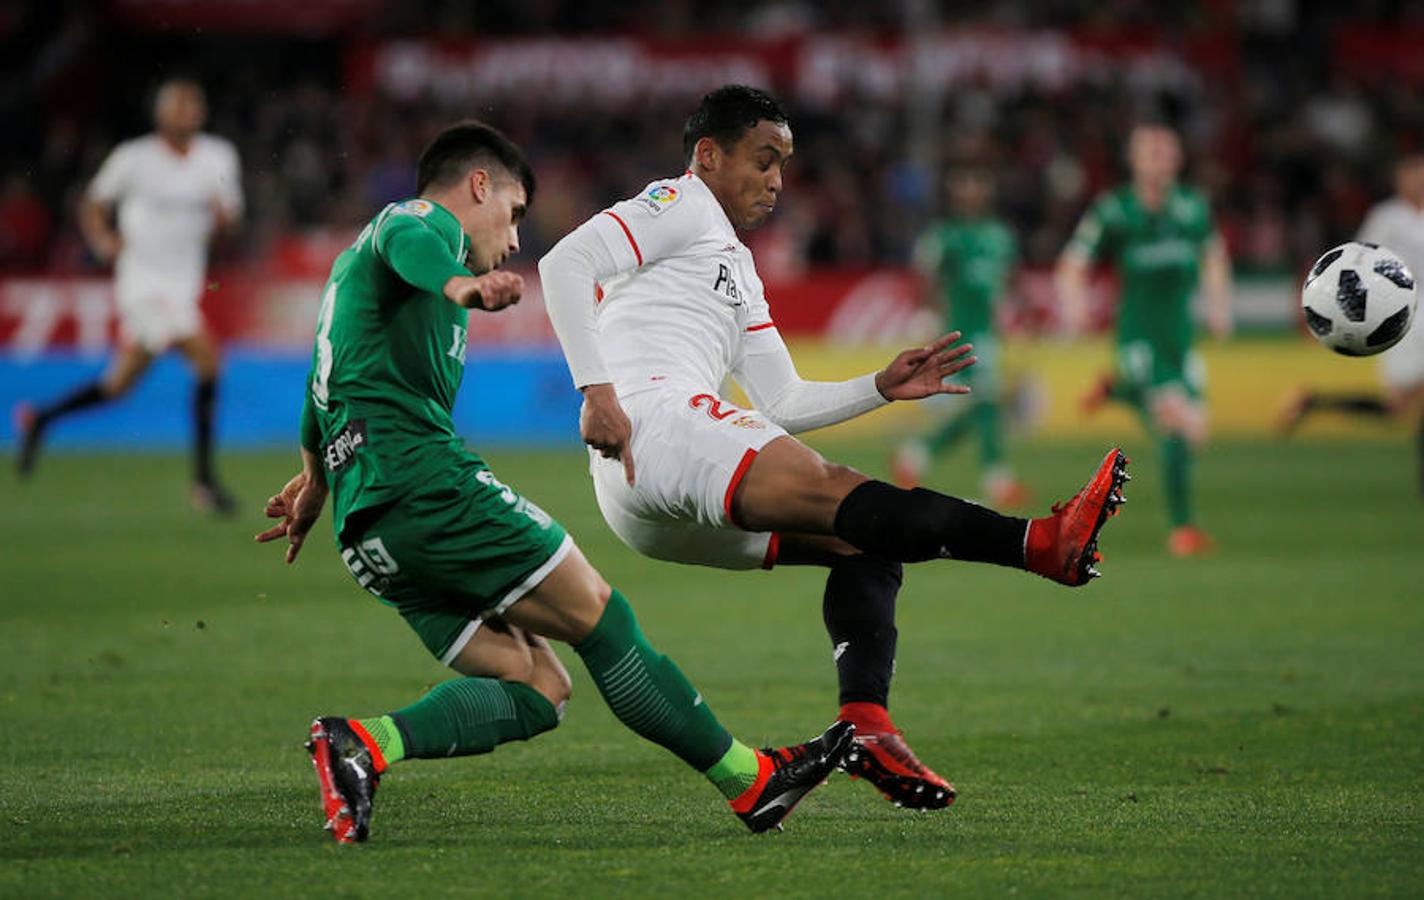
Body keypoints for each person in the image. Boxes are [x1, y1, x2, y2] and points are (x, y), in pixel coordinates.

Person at [255, 120, 851, 844]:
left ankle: (363, 743)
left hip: (368, 530)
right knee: (603, 620)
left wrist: (315, 478)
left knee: (539, 687)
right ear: (480, 185)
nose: (511, 241)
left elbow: (324, 382)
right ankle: (751, 782)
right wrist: (461, 283)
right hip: (425, 486)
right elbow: (411, 238)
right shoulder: (421, 225)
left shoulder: (352, 279)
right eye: (512, 215)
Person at [539, 85, 1129, 812]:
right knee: (842, 492)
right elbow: (564, 263)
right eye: (763, 161)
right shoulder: (679, 202)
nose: (777, 181)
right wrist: (596, 391)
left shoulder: (739, 270)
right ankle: (1042, 544)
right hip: (651, 420)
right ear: (708, 155)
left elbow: (782, 402)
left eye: (784, 165)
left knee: (862, 541)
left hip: (648, 498)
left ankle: (867, 725)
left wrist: (879, 385)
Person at [15, 78, 243, 513]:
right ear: (160, 113)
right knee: (209, 358)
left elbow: (229, 228)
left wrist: (222, 222)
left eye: (193, 102)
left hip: (183, 285)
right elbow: (93, 203)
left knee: (119, 385)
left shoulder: (218, 157)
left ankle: (39, 419)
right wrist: (102, 240)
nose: (188, 110)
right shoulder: (134, 159)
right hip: (141, 283)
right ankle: (204, 482)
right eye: (179, 103)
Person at [1056, 122, 1230, 557]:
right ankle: (1183, 529)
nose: (1158, 159)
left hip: (1180, 340)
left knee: (1196, 433)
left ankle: (1117, 390)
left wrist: (1218, 305)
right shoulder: (1114, 210)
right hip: (1139, 339)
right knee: (1176, 425)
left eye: (1165, 151)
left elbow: (1214, 257)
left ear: (1178, 159)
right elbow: (1072, 264)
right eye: (1148, 151)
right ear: (1133, 160)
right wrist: (1075, 307)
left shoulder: (1192, 208)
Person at [1277, 153, 1424, 493]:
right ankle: (1315, 402)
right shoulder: (1386, 218)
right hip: (1400, 318)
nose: (1417, 181)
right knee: (1397, 407)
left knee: (1408, 405)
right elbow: (1359, 265)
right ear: (1399, 179)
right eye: (1411, 174)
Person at [892, 166, 1029, 507]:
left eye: (977, 181)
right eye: (964, 182)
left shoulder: (999, 235)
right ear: (953, 191)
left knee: (983, 405)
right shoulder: (943, 235)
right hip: (955, 332)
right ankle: (997, 479)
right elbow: (925, 278)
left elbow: (1011, 279)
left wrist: (1021, 314)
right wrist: (926, 318)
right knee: (986, 403)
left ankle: (915, 455)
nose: (971, 189)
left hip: (988, 332)